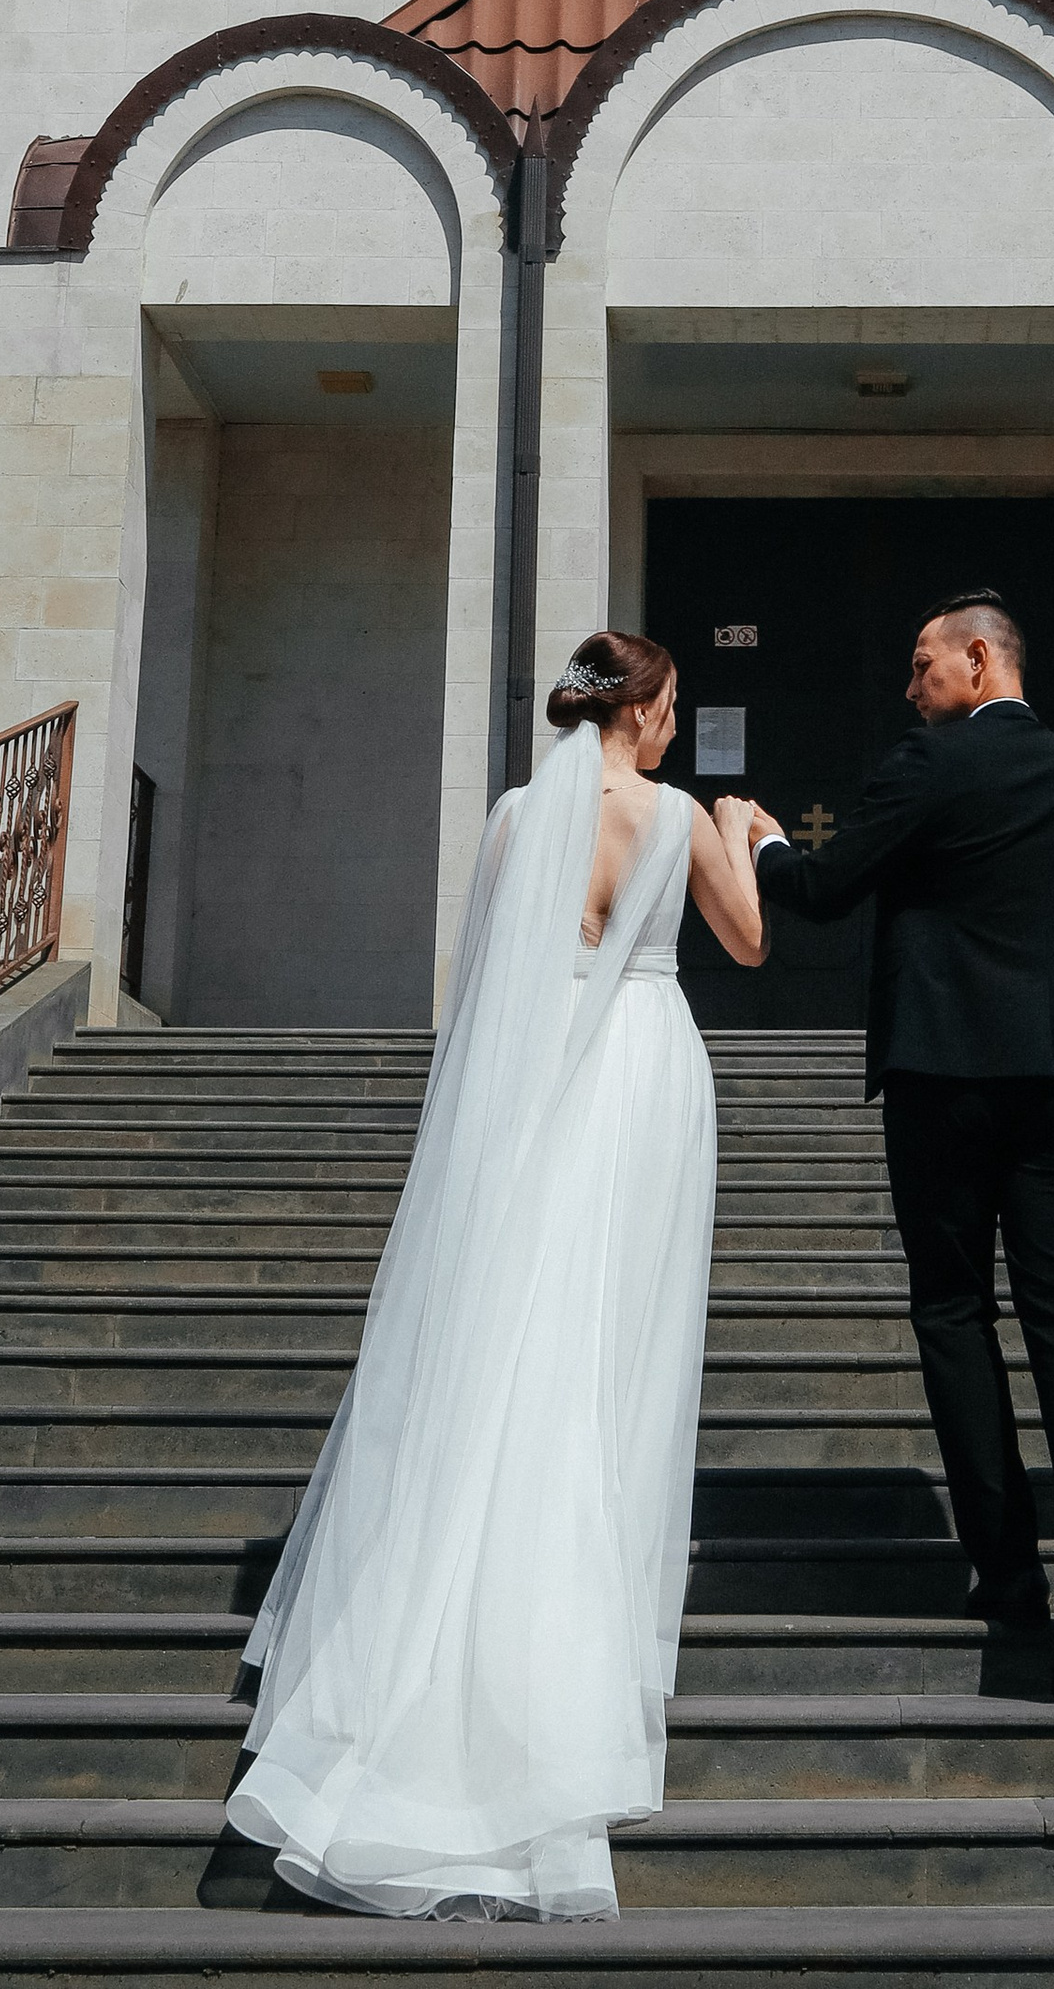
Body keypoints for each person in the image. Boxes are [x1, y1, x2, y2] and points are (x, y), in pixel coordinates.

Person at [226, 631, 768, 1921]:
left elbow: (479, 994)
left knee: (520, 1337)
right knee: (612, 1351)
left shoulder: (518, 816)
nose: (679, 729)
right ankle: (573, 1661)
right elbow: (745, 945)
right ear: (637, 711)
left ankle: (445, 1656)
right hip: (643, 1076)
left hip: (534, 1090)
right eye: (673, 706)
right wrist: (747, 834)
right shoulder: (680, 812)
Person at [717, 588, 1054, 1703]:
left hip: (943, 1080)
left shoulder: (928, 767)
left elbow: (823, 893)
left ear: (980, 661)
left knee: (953, 1314)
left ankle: (1010, 1575)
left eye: (923, 665)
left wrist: (764, 838)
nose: (910, 685)